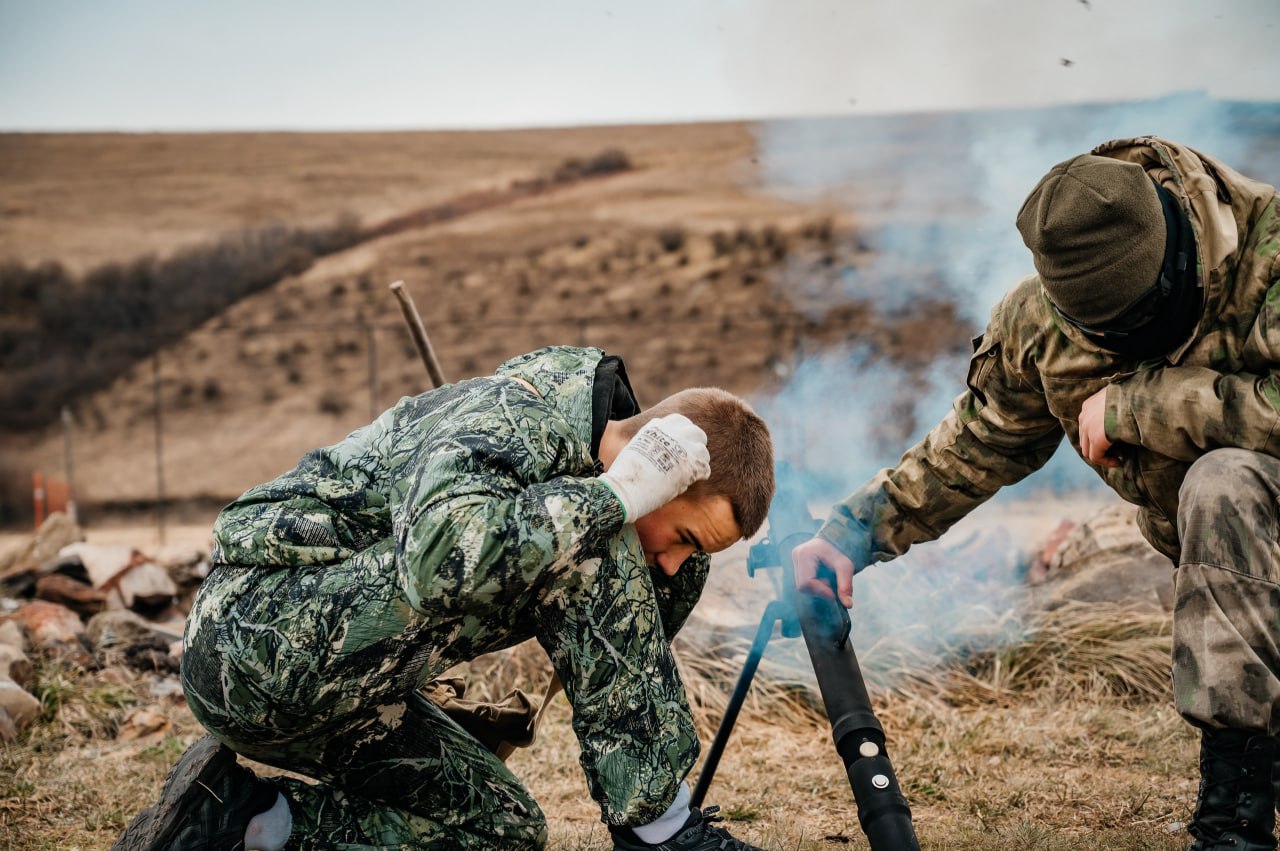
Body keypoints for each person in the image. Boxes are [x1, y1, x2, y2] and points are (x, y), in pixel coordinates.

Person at [792, 136, 1280, 851]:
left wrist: (1141, 405)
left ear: (1174, 266)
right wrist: (850, 534)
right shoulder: (1043, 323)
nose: (1110, 348)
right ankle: (1234, 821)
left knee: (1224, 479)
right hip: (1230, 565)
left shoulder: (1267, 256)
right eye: (1095, 334)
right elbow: (979, 441)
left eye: (1130, 328)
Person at [113, 345, 776, 851]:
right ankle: (660, 832)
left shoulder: (605, 491)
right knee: (593, 540)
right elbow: (436, 565)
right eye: (685, 536)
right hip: (251, 643)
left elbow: (621, 634)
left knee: (502, 830)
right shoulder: (511, 417)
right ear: (658, 475)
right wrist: (614, 497)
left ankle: (239, 823)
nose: (674, 559)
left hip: (354, 687)